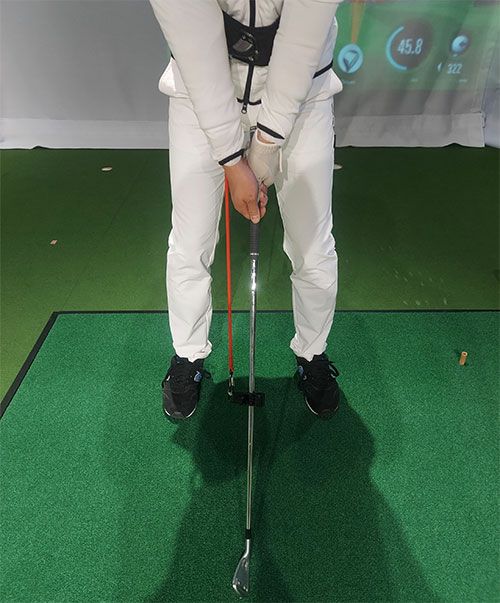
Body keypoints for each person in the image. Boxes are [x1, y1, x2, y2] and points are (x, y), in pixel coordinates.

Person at [149, 0, 344, 420]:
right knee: (190, 242)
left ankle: (312, 353)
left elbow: (300, 41)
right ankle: (188, 355)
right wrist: (231, 159)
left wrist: (267, 143)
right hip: (199, 94)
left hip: (304, 94)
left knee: (312, 245)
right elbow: (195, 41)